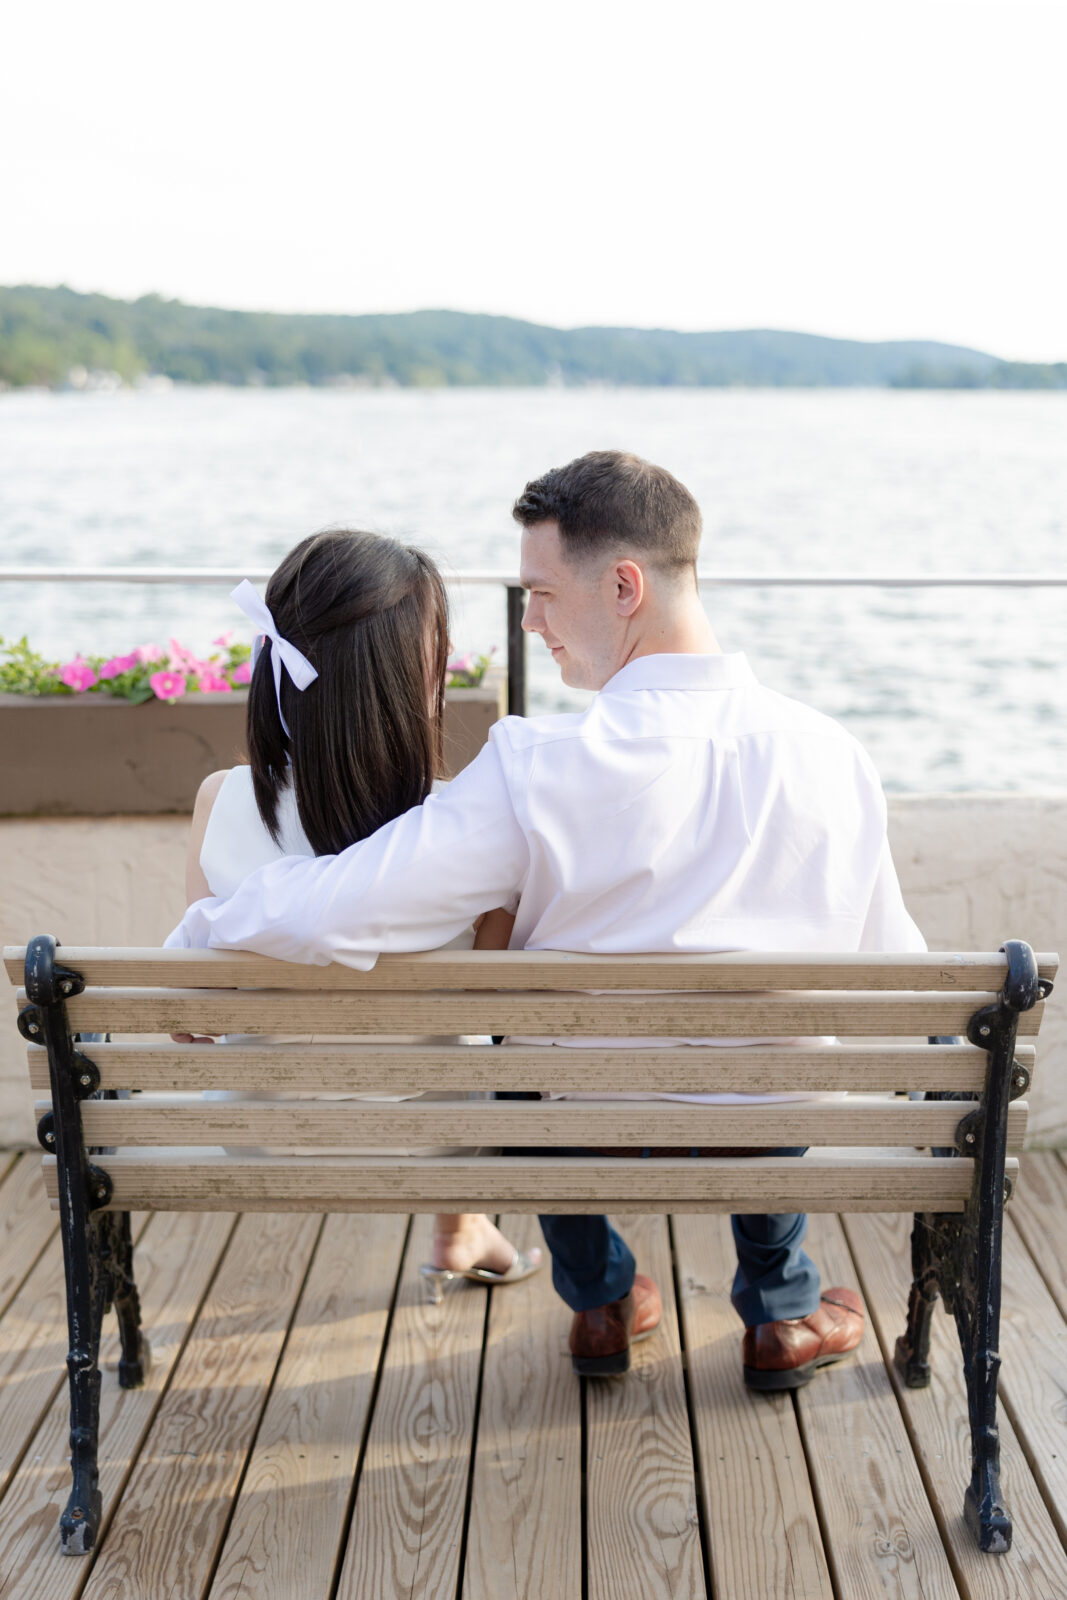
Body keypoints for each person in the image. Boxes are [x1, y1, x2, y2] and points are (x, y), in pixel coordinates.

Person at [168, 451, 925, 1385]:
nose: (526, 620)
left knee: (526, 1064)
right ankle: (783, 1309)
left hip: (582, 1128)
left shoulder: (537, 765)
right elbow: (895, 966)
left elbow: (340, 907)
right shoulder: (832, 753)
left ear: (622, 586)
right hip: (769, 1128)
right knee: (765, 1035)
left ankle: (601, 1297)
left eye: (538, 593)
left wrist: (202, 934)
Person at [172, 528, 541, 1295]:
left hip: (258, 1132)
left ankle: (463, 1230)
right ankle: (458, 1224)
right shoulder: (460, 830)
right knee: (468, 1056)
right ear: (416, 685)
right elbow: (496, 1001)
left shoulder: (220, 801)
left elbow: (200, 1005)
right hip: (435, 1137)